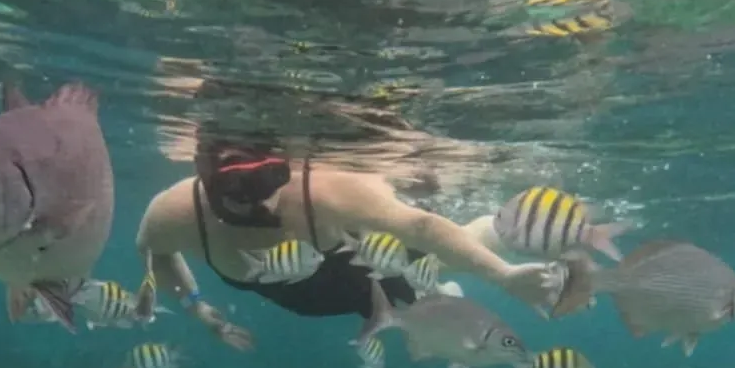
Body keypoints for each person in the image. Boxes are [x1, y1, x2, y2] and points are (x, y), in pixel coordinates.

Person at [135, 136, 559, 350]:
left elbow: (422, 227)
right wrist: (197, 309)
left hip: (360, 268)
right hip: (303, 293)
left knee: (438, 266)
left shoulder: (323, 192)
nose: (254, 201)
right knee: (428, 286)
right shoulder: (176, 214)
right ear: (199, 166)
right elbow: (154, 251)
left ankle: (495, 233)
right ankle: (438, 291)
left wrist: (505, 277)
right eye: (232, 186)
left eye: (268, 180)